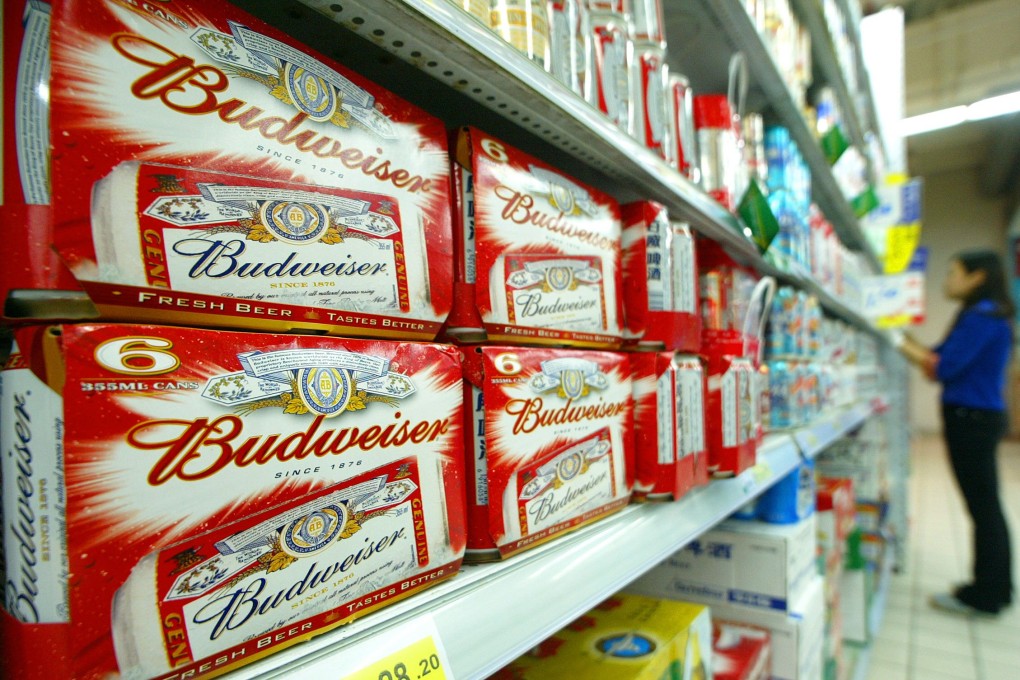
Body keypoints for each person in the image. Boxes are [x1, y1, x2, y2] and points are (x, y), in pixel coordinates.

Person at [894, 249, 1014, 616]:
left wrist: (896, 340)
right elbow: (936, 357)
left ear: (977, 277)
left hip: (972, 419)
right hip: (977, 417)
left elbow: (942, 367)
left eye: (953, 273)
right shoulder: (981, 314)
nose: (947, 281)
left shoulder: (984, 317)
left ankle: (987, 594)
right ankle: (995, 587)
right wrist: (904, 336)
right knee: (984, 505)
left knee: (984, 507)